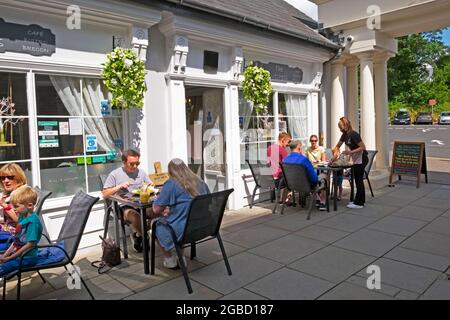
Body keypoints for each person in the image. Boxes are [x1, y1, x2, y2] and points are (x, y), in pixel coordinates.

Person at [152, 159, 209, 269]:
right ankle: (180, 256)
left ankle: (169, 259)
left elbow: (156, 210)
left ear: (170, 171)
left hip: (183, 229)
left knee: (155, 224)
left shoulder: (171, 184)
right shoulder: (200, 182)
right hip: (201, 226)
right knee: (178, 218)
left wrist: (157, 199)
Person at [102, 149, 152, 253]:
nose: (135, 166)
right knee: (133, 216)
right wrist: (119, 186)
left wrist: (149, 186)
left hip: (141, 203)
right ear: (124, 162)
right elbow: (104, 194)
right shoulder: (115, 174)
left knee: (156, 211)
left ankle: (138, 234)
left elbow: (150, 184)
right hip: (123, 206)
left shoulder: (141, 172)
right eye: (132, 164)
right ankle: (145, 235)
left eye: (137, 163)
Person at [0, 186, 43, 276]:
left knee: (2, 268)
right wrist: (5, 256)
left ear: (30, 205)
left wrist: (10, 257)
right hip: (18, 255)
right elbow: (17, 240)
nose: (14, 209)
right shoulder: (22, 216)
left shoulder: (32, 222)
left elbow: (29, 244)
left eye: (16, 206)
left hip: (27, 258)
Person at [332, 117, 368, 209]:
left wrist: (349, 152)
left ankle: (359, 203)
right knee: (357, 180)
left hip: (361, 159)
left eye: (341, 127)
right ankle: (358, 201)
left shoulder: (354, 134)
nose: (340, 130)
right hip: (356, 159)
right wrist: (335, 155)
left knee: (358, 181)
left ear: (346, 125)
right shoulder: (344, 135)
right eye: (339, 128)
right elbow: (337, 146)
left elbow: (362, 147)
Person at [283, 140, 327, 211]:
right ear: (299, 148)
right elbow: (314, 179)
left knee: (311, 180)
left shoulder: (285, 160)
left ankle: (317, 199)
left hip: (291, 185)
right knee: (324, 176)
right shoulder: (303, 160)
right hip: (306, 186)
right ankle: (322, 202)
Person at [267, 132, 291, 202]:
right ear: (283, 140)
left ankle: (282, 198)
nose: (288, 144)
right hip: (279, 179)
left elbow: (268, 163)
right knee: (294, 176)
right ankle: (286, 198)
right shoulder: (282, 150)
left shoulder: (269, 148)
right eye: (287, 142)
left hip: (270, 178)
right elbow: (288, 163)